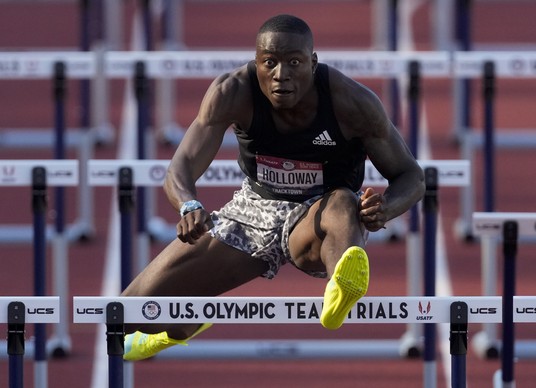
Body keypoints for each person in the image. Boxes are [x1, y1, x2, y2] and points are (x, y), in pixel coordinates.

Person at [123, 14, 425, 361]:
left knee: (344, 202)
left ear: (313, 63)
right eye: (270, 63)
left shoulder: (352, 102)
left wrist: (386, 207)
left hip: (319, 218)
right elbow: (181, 166)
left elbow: (411, 176)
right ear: (257, 63)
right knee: (126, 314)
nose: (281, 74)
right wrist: (189, 205)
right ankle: (183, 325)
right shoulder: (232, 91)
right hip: (252, 210)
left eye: (294, 62)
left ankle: (341, 284)